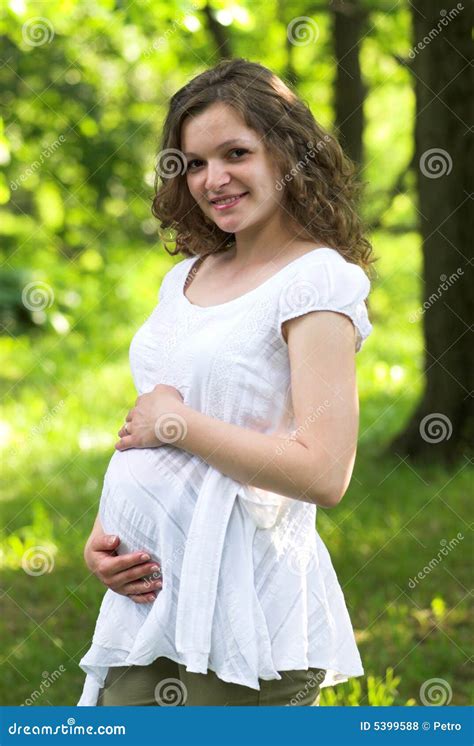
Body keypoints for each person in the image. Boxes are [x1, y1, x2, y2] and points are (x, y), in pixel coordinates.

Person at [78, 58, 376, 707]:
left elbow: (325, 472)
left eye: (235, 153)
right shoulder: (189, 276)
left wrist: (178, 427)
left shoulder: (317, 282)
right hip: (150, 604)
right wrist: (106, 534)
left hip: (243, 610)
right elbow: (153, 415)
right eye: (193, 162)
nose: (213, 179)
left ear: (287, 153)